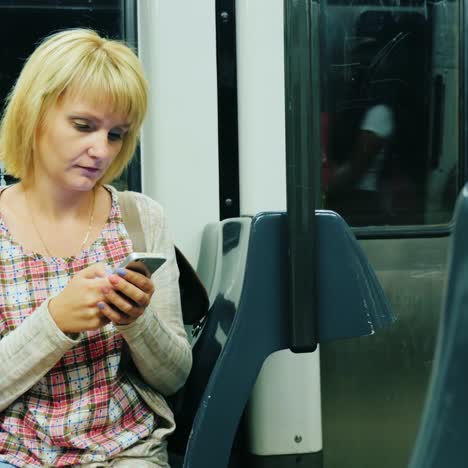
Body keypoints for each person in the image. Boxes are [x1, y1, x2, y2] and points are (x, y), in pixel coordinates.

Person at [0, 29, 192, 467]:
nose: (100, 150)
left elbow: (175, 377)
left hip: (125, 452)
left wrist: (137, 323)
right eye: (84, 126)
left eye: (116, 135)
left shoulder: (140, 220)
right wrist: (54, 323)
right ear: (34, 115)